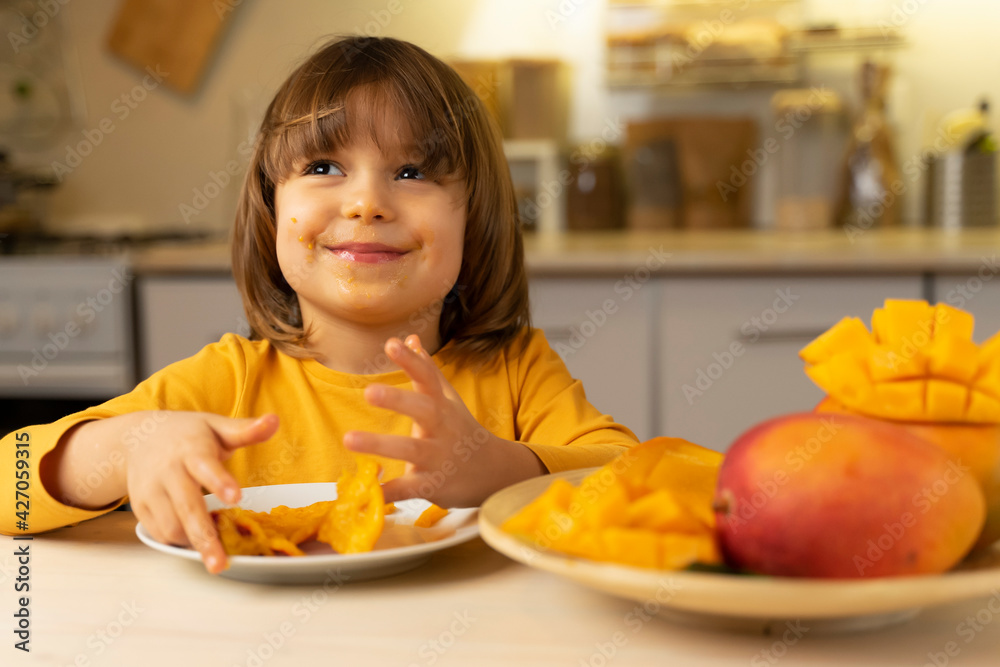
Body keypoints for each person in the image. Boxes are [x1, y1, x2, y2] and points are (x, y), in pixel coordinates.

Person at [0, 36, 638, 573]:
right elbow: (10, 481)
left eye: (412, 172)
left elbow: (638, 479)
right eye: (325, 166)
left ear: (476, 218)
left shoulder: (517, 372)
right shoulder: (226, 383)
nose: (366, 203)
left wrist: (496, 467)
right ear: (273, 208)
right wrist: (130, 446)